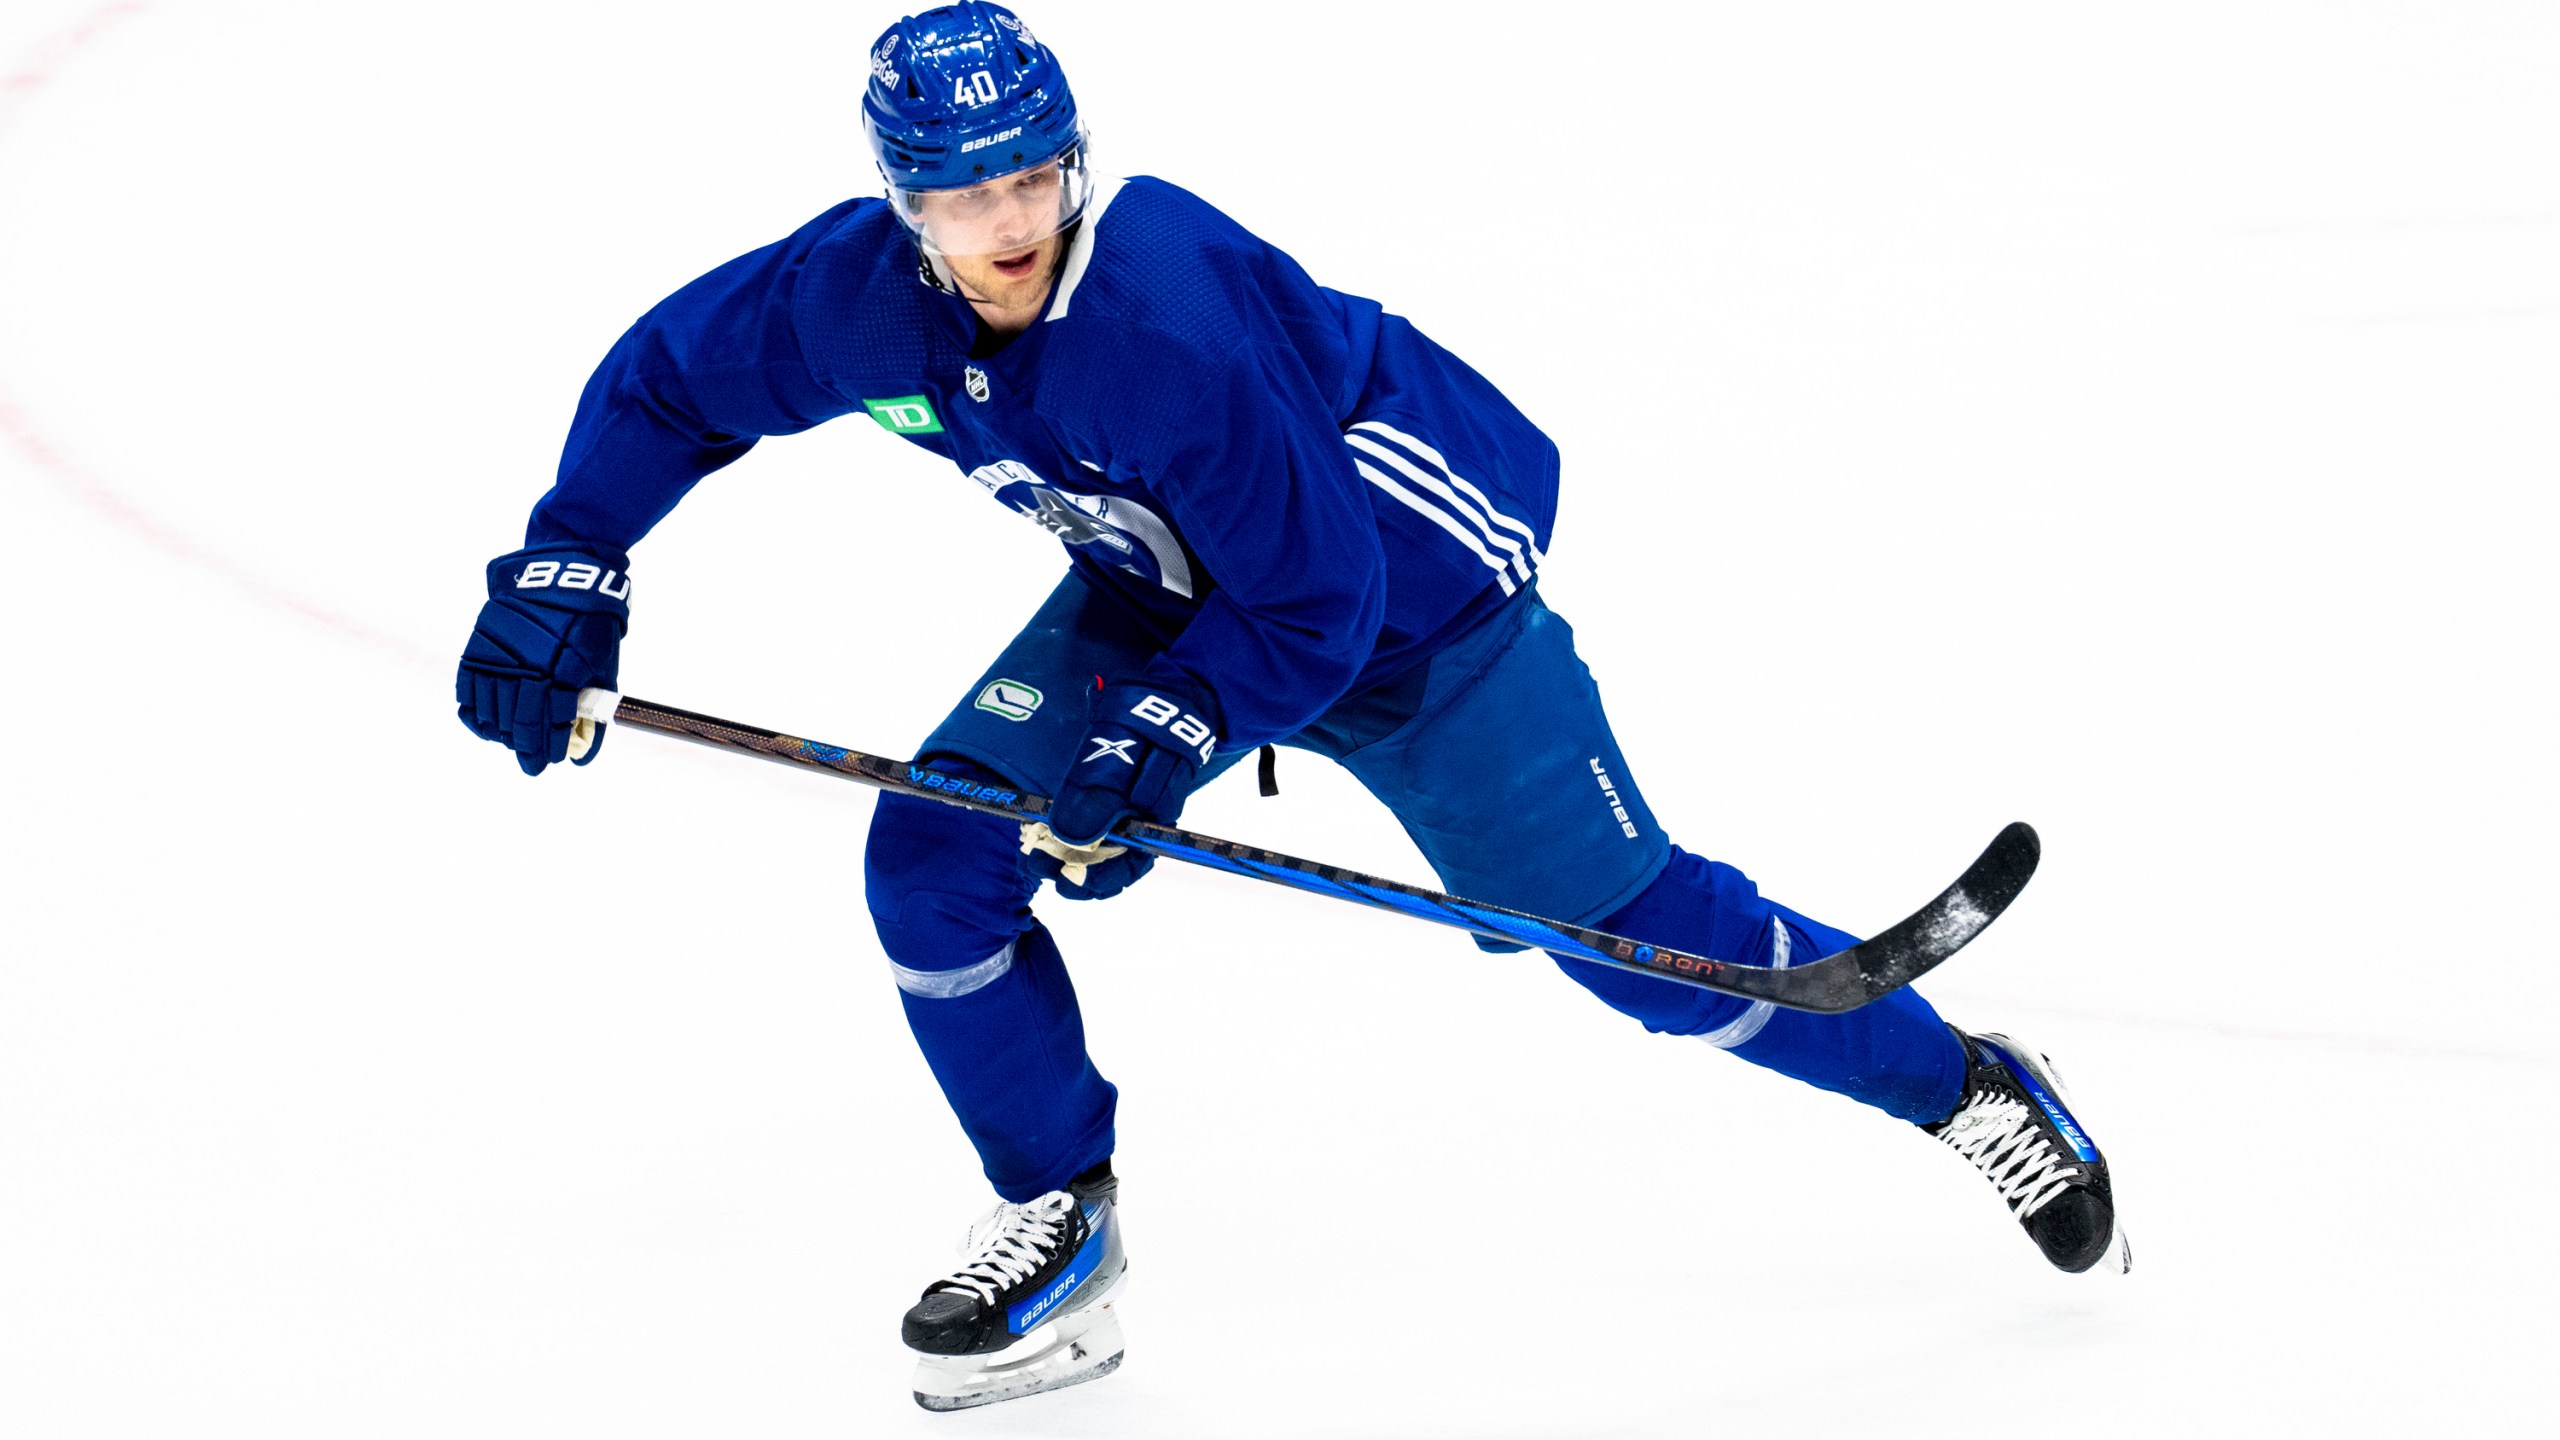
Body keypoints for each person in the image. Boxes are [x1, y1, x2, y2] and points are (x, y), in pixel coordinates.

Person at [453, 3, 2128, 1412]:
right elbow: (674, 376)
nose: (1009, 223)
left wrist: (1165, 744)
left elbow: (1321, 596)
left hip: (1408, 604)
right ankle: (1061, 1225)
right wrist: (568, 557)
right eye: (963, 200)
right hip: (1167, 577)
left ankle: (1968, 1090)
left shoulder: (1160, 325)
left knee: (1631, 946)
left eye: (1033, 178)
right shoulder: (852, 298)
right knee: (935, 862)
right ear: (901, 206)